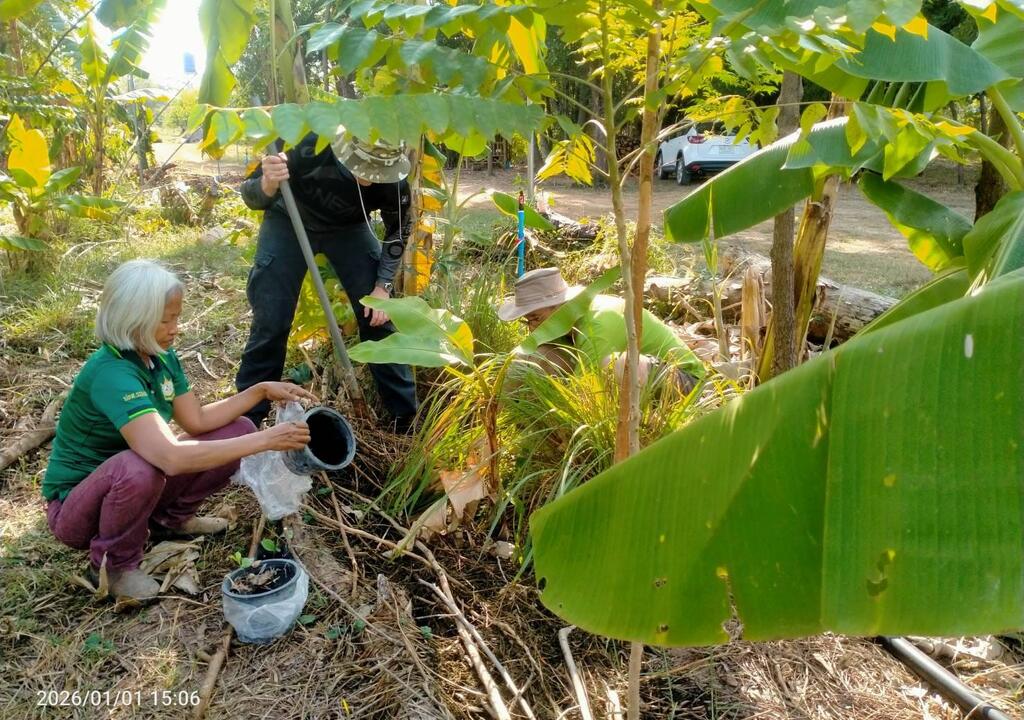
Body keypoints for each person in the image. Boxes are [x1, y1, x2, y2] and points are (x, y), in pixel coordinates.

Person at [43, 260, 317, 601]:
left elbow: (197, 420)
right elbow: (170, 458)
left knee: (238, 429)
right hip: (77, 509)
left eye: (176, 317)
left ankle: (170, 520)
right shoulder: (111, 373)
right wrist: (265, 440)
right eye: (165, 320)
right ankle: (114, 565)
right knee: (139, 466)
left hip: (134, 487)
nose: (175, 328)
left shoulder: (158, 355)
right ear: (132, 319)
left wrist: (259, 391)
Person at [237, 132, 418, 430]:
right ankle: (247, 419)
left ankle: (405, 420)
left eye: (379, 172)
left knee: (378, 317)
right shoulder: (309, 143)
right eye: (364, 169)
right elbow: (250, 195)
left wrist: (382, 287)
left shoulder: (393, 180)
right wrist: (268, 184)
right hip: (288, 221)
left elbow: (398, 231)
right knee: (272, 319)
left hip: (349, 230)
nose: (371, 179)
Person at [496, 267, 706, 388]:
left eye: (535, 318)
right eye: (527, 321)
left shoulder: (597, 322)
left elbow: (585, 391)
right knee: (538, 356)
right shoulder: (564, 324)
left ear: (561, 307)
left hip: (686, 381)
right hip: (635, 388)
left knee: (618, 365)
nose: (532, 329)